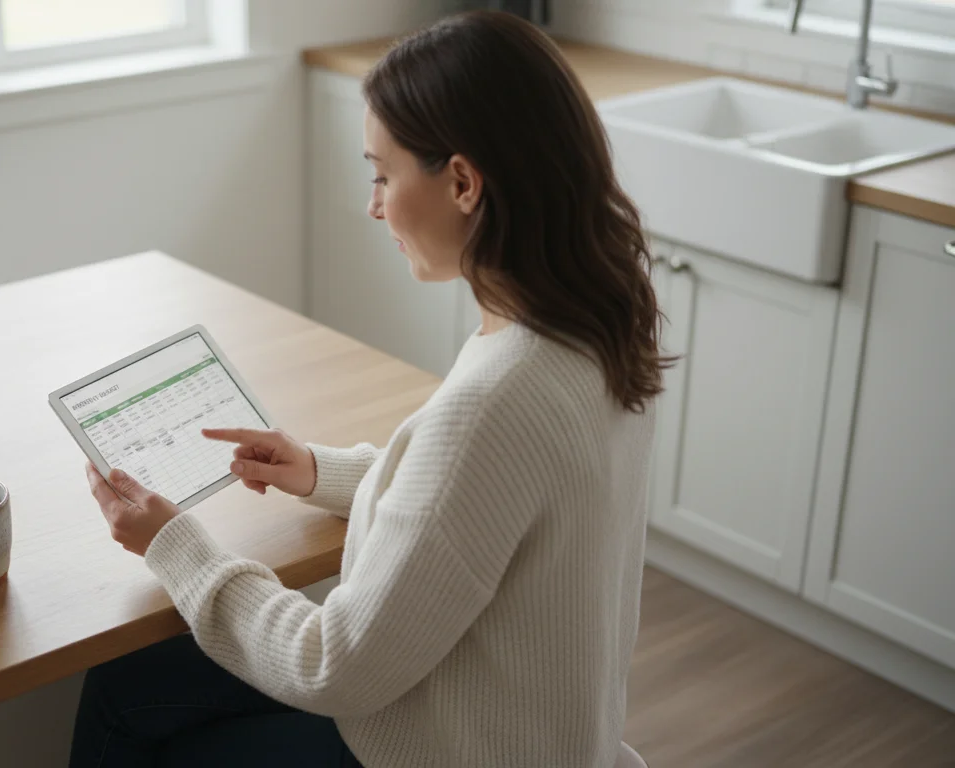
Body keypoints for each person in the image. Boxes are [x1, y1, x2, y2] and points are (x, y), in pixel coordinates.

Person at [70, 9, 668, 768]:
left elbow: (334, 663)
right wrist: (319, 470)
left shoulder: (496, 398)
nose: (373, 204)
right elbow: (487, 502)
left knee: (124, 697)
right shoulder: (598, 325)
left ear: (461, 182)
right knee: (142, 681)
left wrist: (172, 544)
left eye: (382, 175)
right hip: (547, 735)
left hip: (451, 747)